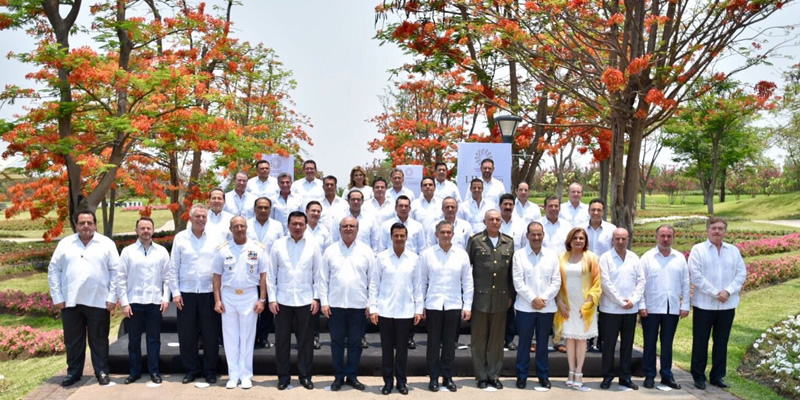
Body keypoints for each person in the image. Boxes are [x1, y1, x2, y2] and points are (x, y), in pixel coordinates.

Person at [49, 210, 119, 387]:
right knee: (73, 341)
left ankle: (102, 371)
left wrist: (113, 297)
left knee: (99, 339)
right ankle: (73, 373)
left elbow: (117, 272)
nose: (86, 226)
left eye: (89, 222)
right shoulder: (65, 244)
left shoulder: (106, 244)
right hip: (71, 301)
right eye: (82, 223)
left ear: (95, 224)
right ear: (76, 225)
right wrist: (57, 296)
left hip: (99, 300)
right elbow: (54, 269)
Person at [689, 216, 747, 390]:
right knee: (700, 341)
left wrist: (728, 291)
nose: (717, 231)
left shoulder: (733, 251)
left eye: (720, 228)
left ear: (725, 231)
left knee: (721, 342)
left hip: (727, 305)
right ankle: (698, 376)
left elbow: (741, 273)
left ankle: (717, 376)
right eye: (714, 228)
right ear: (707, 230)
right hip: (704, 305)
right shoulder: (698, 250)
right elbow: (696, 275)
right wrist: (715, 292)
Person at [268, 211, 322, 390]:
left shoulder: (313, 245)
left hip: (306, 300)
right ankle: (283, 377)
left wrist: (316, 298)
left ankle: (305, 375)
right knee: (282, 342)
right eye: (294, 224)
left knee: (305, 342)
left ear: (306, 226)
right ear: (288, 225)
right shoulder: (278, 245)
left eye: (301, 224)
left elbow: (318, 275)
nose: (297, 227)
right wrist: (272, 299)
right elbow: (271, 274)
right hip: (282, 301)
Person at [211, 216, 268, 390]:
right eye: (236, 226)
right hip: (228, 296)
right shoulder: (223, 249)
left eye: (242, 226)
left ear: (246, 227)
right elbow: (216, 276)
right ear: (230, 228)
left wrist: (262, 299)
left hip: (249, 295)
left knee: (247, 337)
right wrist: (217, 300)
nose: (239, 229)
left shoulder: (257, 248)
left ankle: (246, 375)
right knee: (230, 337)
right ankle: (233, 375)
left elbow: (264, 275)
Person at [320, 216, 375, 391]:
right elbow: (322, 279)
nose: (348, 229)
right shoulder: (330, 251)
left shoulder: (366, 251)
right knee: (336, 343)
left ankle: (351, 376)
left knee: (355, 343)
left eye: (352, 226)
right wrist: (324, 302)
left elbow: (373, 281)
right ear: (340, 229)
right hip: (335, 305)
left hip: (358, 305)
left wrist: (370, 304)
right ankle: (338, 377)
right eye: (345, 226)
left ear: (357, 229)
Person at [170, 204, 222, 384]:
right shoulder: (180, 238)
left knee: (210, 334)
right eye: (197, 216)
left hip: (208, 292)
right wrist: (175, 293)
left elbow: (220, 267)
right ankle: (191, 369)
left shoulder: (215, 238)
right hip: (187, 292)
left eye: (204, 217)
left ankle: (209, 370)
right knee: (187, 334)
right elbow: (174, 266)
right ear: (190, 218)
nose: (201, 220)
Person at [369, 223, 423, 395]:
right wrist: (373, 308)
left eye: (402, 236)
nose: (399, 239)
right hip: (385, 310)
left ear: (406, 237)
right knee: (386, 349)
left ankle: (401, 381)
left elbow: (418, 286)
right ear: (391, 237)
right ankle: (387, 382)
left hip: (406, 310)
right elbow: (374, 284)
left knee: (402, 350)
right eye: (396, 236)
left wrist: (418, 309)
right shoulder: (382, 257)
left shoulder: (414, 258)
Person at [419, 220, 473, 392]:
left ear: (453, 234)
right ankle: (433, 377)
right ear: (436, 234)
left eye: (449, 232)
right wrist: (420, 306)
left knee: (450, 344)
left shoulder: (461, 254)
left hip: (453, 304)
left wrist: (468, 305)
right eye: (442, 232)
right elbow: (421, 282)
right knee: (433, 344)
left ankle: (447, 377)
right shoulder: (427, 255)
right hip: (433, 304)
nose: (446, 235)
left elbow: (467, 282)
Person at [117, 217, 170, 385]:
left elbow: (167, 278)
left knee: (154, 339)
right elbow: (120, 279)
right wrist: (124, 302)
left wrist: (165, 298)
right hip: (134, 302)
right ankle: (135, 372)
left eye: (148, 228)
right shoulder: (128, 252)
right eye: (142, 228)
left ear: (153, 230)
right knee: (134, 340)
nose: (146, 231)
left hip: (155, 302)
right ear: (136, 230)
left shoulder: (161, 251)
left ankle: (154, 371)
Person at [466, 209, 515, 390]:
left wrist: (511, 294)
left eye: (497, 219)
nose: (495, 222)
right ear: (485, 221)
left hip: (501, 298)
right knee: (479, 339)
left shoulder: (508, 242)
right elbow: (467, 269)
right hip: (480, 298)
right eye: (491, 219)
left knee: (496, 339)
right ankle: (481, 375)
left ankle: (494, 374)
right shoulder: (476, 241)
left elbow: (511, 272)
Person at [639, 224, 690, 390]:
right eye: (663, 236)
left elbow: (685, 282)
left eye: (669, 236)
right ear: (656, 237)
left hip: (672, 308)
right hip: (651, 308)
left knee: (667, 344)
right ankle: (649, 375)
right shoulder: (647, 258)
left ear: (673, 238)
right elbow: (640, 284)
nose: (666, 239)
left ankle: (667, 375)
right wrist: (642, 305)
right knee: (650, 343)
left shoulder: (679, 258)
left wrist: (686, 305)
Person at [512, 221, 560, 390]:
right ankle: (522, 375)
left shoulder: (552, 255)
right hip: (525, 307)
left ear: (543, 235)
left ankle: (543, 375)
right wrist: (533, 299)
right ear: (527, 236)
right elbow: (518, 282)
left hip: (546, 308)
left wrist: (543, 299)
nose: (536, 237)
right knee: (524, 343)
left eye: (539, 234)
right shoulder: (519, 255)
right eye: (533, 234)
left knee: (542, 344)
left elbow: (556, 282)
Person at [554, 227, 602, 391]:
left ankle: (579, 372)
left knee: (581, 339)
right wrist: (559, 302)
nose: (578, 241)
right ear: (570, 240)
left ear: (585, 241)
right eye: (575, 238)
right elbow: (556, 282)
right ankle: (570, 371)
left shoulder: (591, 258)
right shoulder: (561, 257)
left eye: (581, 238)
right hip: (566, 304)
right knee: (569, 338)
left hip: (584, 305)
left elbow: (596, 283)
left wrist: (588, 305)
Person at [598, 228, 644, 390]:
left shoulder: (634, 258)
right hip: (610, 310)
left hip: (630, 310)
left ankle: (625, 376)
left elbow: (641, 282)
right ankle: (608, 376)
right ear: (612, 240)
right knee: (609, 346)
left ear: (628, 239)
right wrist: (620, 301)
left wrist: (633, 300)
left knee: (627, 345)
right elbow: (605, 283)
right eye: (617, 238)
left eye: (623, 238)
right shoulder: (605, 258)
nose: (620, 241)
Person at [246, 197, 283, 350]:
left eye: (266, 208)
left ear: (270, 209)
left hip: (270, 272)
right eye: (260, 207)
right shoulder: (246, 225)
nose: (263, 210)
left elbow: (282, 247)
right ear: (254, 209)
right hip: (249, 273)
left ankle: (263, 336)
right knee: (251, 307)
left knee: (267, 308)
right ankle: (251, 337)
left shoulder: (277, 226)